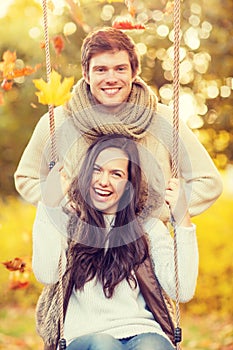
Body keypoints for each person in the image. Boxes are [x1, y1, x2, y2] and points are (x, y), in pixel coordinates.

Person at [14, 26, 222, 222]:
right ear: (86, 74)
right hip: (79, 249)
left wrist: (162, 210)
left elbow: (208, 182)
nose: (111, 78)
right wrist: (66, 205)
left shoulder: (165, 120)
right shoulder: (58, 121)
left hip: (148, 248)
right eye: (101, 70)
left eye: (120, 69)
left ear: (133, 73)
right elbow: (27, 177)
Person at [32, 134, 199, 350]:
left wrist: (183, 218)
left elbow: (182, 291)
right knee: (104, 345)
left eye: (116, 174)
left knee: (152, 346)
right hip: (84, 337)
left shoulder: (147, 229)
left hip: (143, 332)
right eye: (97, 170)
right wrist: (49, 205)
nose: (103, 181)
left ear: (129, 184)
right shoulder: (69, 223)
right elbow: (46, 274)